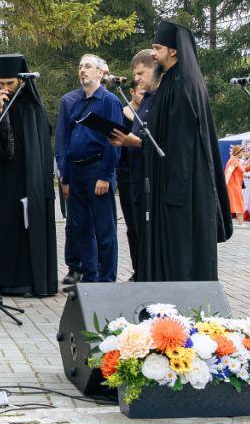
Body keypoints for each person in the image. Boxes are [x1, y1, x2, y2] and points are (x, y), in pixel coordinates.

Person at [140, 21, 232, 280]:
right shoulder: (171, 80)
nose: (153, 54)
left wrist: (175, 192)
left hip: (182, 187)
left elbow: (182, 144)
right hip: (168, 181)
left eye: (157, 48)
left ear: (174, 51)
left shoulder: (184, 84)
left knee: (182, 250)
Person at [0, 54, 57, 297]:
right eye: (1, 83)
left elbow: (34, 147)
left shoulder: (32, 108)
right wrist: (0, 111)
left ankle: (27, 281)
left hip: (25, 182)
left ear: (21, 81)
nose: (5, 88)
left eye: (10, 83)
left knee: (26, 229)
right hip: (2, 184)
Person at [54, 54, 122, 284]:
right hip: (76, 172)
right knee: (80, 228)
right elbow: (68, 138)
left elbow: (114, 141)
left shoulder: (109, 101)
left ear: (101, 72)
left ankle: (106, 280)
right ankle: (90, 277)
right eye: (80, 66)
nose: (82, 70)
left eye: (88, 67)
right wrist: (66, 175)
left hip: (97, 169)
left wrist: (105, 175)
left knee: (104, 230)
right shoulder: (77, 103)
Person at [109, 49, 158, 281]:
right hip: (128, 175)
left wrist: (132, 142)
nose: (138, 80)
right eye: (135, 78)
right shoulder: (125, 112)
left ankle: (148, 270)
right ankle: (139, 268)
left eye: (141, 73)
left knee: (147, 226)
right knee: (133, 227)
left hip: (149, 175)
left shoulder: (153, 104)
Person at [224, 145, 246, 222]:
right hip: (233, 186)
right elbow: (229, 172)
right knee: (239, 204)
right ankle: (241, 223)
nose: (244, 153)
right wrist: (225, 184)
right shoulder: (234, 161)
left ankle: (240, 223)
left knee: (235, 204)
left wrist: (248, 176)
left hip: (235, 185)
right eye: (242, 152)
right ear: (237, 152)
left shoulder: (235, 160)